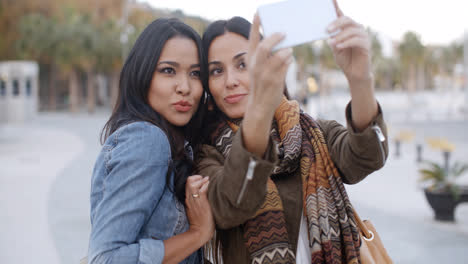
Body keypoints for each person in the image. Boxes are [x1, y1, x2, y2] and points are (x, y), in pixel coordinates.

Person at [196, 2, 389, 264]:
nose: (231, 80)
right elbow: (232, 203)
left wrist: (359, 79)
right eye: (217, 70)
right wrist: (261, 107)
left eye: (243, 64)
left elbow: (367, 157)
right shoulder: (204, 153)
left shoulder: (313, 132)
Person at [88, 18, 214, 264]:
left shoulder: (172, 141)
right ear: (142, 74)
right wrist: (198, 234)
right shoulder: (148, 140)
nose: (185, 87)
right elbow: (106, 259)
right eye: (168, 70)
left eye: (195, 73)